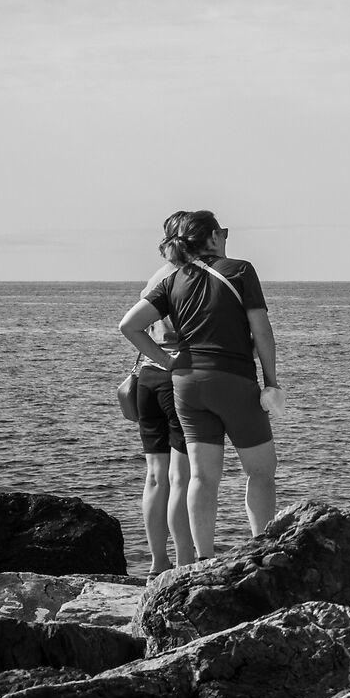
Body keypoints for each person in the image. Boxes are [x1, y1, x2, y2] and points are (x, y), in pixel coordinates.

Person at [116, 209, 280, 558]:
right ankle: (262, 552)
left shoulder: (171, 280)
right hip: (231, 378)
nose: (225, 236)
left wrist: (165, 361)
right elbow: (262, 331)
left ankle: (202, 560)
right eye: (222, 231)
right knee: (262, 470)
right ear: (212, 237)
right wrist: (271, 381)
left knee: (202, 478)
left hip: (185, 384)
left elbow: (129, 325)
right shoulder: (240, 270)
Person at [122, 216, 195, 573]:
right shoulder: (185, 278)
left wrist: (158, 359)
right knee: (181, 477)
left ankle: (157, 562)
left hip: (147, 380)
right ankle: (184, 562)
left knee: (154, 476)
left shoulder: (155, 276)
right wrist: (170, 359)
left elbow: (136, 327)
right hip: (173, 377)